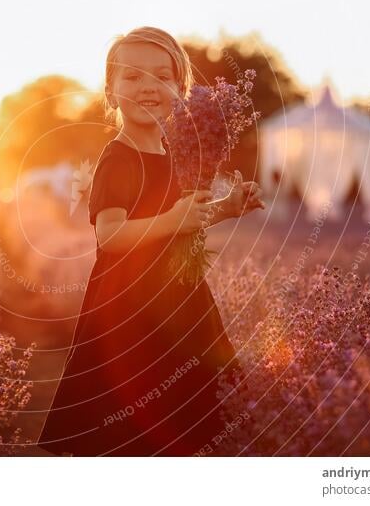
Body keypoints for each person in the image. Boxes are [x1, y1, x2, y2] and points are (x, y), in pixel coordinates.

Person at [36, 27, 265, 457]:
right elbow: (110, 235)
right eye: (133, 76)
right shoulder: (117, 159)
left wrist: (226, 207)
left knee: (185, 414)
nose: (148, 87)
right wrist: (172, 219)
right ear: (111, 90)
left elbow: (183, 222)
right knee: (128, 420)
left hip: (179, 302)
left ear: (182, 90)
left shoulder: (174, 154)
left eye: (162, 77)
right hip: (128, 311)